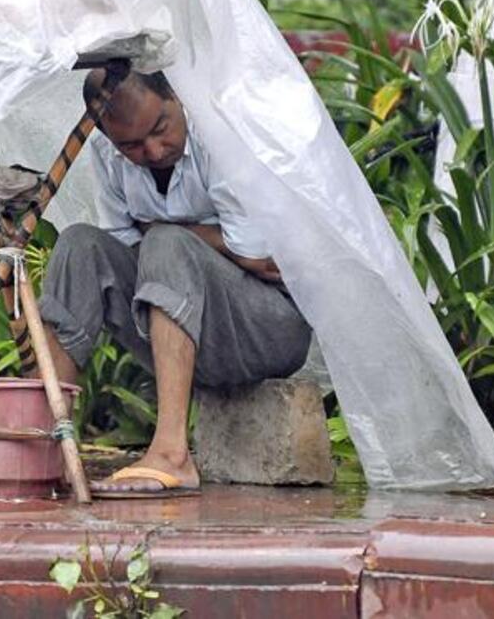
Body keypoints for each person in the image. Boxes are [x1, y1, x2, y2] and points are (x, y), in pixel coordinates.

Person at [36, 60, 314, 498]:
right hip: (187, 328)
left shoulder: (219, 134)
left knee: (165, 243)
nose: (153, 150)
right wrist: (204, 237)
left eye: (160, 126)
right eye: (132, 145)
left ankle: (171, 454)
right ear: (109, 138)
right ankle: (44, 442)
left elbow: (261, 258)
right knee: (79, 246)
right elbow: (125, 245)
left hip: (269, 327)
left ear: (175, 97)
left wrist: (172, 235)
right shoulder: (108, 154)